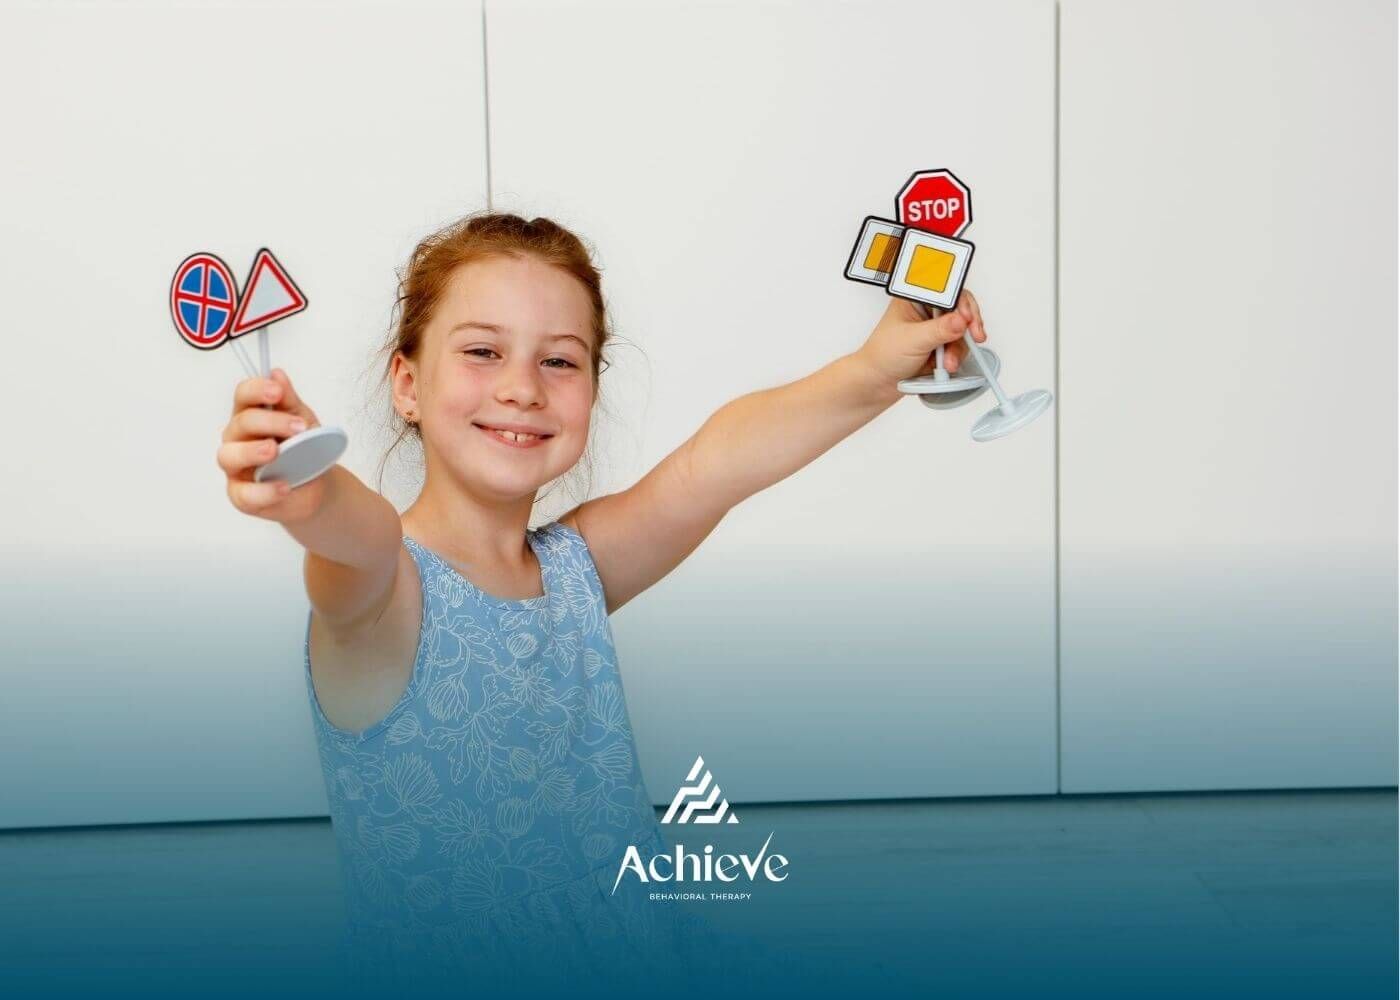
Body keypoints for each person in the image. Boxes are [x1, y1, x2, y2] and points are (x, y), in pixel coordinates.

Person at [216, 212, 987, 996]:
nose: (521, 387)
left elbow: (715, 465)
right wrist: (311, 495)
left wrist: (875, 368)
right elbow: (359, 540)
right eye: (483, 352)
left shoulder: (574, 569)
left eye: (560, 360)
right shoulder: (385, 592)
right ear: (408, 383)